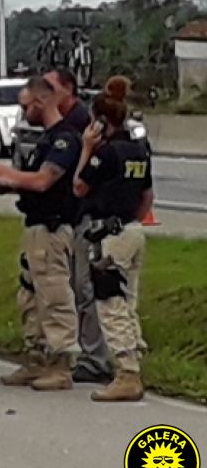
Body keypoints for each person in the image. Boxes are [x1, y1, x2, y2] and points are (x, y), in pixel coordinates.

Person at [0, 76, 82, 391]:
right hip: (34, 224)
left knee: (54, 294)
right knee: (30, 295)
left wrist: (7, 175)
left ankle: (60, 362)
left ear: (41, 102)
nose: (23, 111)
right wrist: (11, 186)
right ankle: (36, 357)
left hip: (53, 227)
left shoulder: (65, 140)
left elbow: (44, 181)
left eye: (26, 105)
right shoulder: (43, 140)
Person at [72, 76, 153, 402]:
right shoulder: (138, 151)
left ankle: (126, 373)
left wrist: (87, 148)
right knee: (128, 300)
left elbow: (79, 186)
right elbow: (147, 196)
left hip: (108, 234)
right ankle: (134, 359)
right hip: (133, 229)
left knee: (110, 303)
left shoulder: (105, 154)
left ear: (101, 122)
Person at [47, 68, 113, 384]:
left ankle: (97, 357)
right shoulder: (66, 124)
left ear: (69, 89)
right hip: (73, 216)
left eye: (51, 88)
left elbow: (86, 176)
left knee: (86, 287)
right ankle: (92, 353)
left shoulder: (80, 125)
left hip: (87, 213)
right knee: (77, 285)